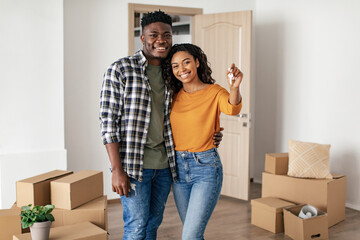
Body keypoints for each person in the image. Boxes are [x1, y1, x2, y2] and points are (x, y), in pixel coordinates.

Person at [99, 11, 223, 240]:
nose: (161, 40)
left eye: (166, 34)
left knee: (153, 224)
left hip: (167, 166)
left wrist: (212, 131)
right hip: (134, 166)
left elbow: (193, 107)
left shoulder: (174, 72)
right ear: (142, 38)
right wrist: (116, 169)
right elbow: (108, 123)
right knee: (136, 227)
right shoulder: (121, 70)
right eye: (154, 34)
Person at [162, 43, 243, 240]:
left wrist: (234, 88)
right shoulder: (173, 96)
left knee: (189, 236)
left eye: (186, 62)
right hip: (178, 169)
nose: (181, 69)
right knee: (193, 233)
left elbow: (233, 109)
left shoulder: (214, 91)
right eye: (175, 66)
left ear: (197, 62)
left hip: (205, 167)